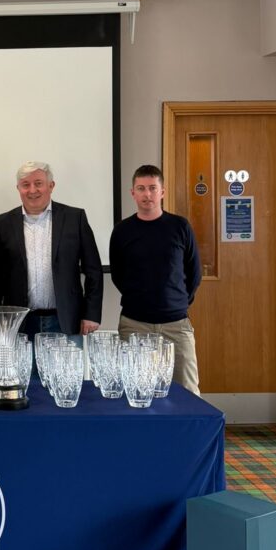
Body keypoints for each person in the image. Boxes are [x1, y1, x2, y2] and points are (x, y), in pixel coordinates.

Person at [0, 162, 103, 353]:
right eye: (26, 185)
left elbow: (93, 270)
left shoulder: (75, 218)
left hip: (66, 321)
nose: (32, 190)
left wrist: (91, 314)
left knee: (65, 373)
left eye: (38, 183)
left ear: (51, 185)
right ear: (18, 188)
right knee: (23, 374)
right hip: (19, 324)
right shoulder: (3, 223)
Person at [109, 164, 201, 395]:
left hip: (176, 325)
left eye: (152, 188)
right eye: (141, 188)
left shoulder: (180, 226)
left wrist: (177, 302)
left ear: (162, 192)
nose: (147, 194)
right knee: (137, 391)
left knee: (188, 391)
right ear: (132, 193)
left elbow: (194, 272)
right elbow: (118, 275)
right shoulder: (122, 231)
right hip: (135, 324)